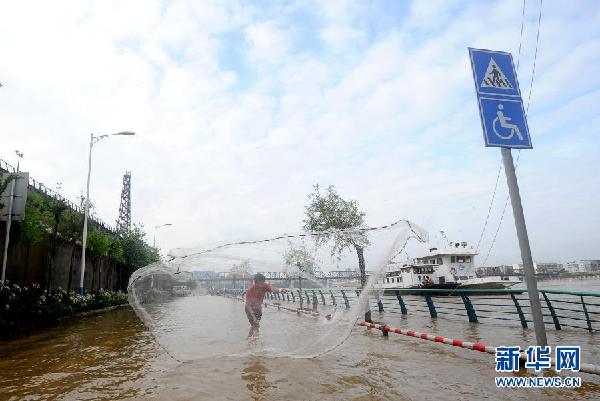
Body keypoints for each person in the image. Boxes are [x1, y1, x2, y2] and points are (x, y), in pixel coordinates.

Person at [245, 273, 287, 338]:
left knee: (254, 325)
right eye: (260, 283)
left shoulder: (264, 286)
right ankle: (255, 344)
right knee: (256, 326)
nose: (262, 285)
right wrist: (254, 317)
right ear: (255, 282)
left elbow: (272, 289)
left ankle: (248, 339)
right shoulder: (250, 290)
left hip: (258, 308)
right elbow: (248, 305)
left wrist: (280, 290)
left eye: (263, 282)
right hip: (249, 309)